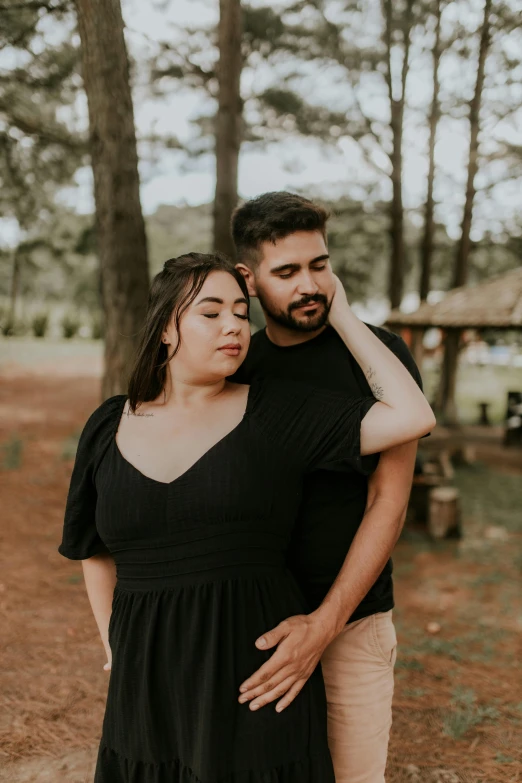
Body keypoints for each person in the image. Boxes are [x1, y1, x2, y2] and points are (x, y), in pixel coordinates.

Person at [58, 252, 434, 783]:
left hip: (254, 680)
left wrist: (342, 312)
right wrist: (117, 649)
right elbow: (92, 549)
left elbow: (414, 416)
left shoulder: (276, 412)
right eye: (211, 313)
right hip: (146, 686)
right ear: (165, 328)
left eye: (241, 312)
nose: (234, 325)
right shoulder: (106, 425)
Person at [230, 192, 425, 783]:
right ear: (250, 279)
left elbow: (388, 500)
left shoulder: (381, 358)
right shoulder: (237, 365)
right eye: (287, 272)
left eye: (319, 265)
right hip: (251, 624)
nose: (310, 284)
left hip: (354, 621)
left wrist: (325, 623)